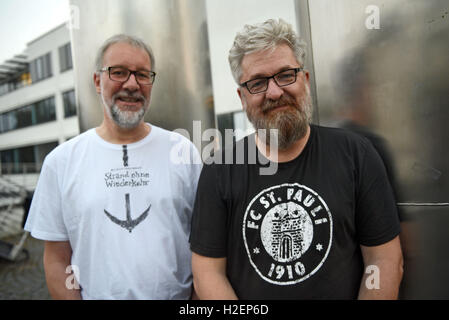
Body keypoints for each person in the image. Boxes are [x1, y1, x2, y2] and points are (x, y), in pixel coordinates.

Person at [189, 19, 403, 299]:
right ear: (242, 98)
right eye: (257, 82)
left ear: (305, 80)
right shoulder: (219, 170)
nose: (275, 92)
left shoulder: (355, 154)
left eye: (285, 75)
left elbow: (384, 261)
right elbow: (207, 274)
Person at [25, 34, 202, 299]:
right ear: (98, 81)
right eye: (118, 72)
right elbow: (58, 260)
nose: (132, 84)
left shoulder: (183, 151)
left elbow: (206, 248)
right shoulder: (61, 162)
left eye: (142, 74)